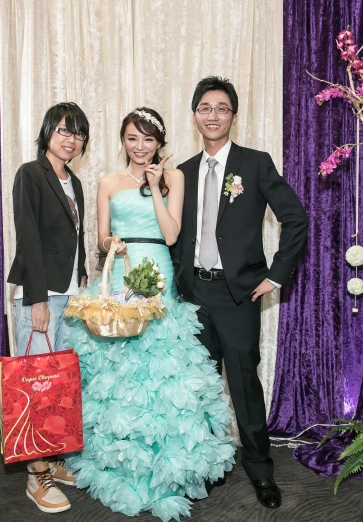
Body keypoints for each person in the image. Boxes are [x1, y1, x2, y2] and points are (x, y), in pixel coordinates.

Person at [64, 108, 235, 521]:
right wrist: (112, 243)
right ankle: (120, 459)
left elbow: (173, 234)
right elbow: (102, 237)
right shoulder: (107, 182)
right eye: (132, 139)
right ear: (122, 141)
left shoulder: (174, 178)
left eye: (148, 140)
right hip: (122, 272)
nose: (140, 148)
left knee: (162, 365)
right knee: (118, 367)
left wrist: (156, 187)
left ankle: (167, 463)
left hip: (157, 271)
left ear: (159, 143)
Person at [173, 77, 309, 509]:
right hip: (191, 293)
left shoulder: (255, 164)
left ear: (233, 115)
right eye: (205, 107)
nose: (213, 115)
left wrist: (276, 275)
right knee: (201, 386)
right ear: (194, 115)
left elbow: (295, 218)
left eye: (222, 108)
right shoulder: (182, 172)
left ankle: (260, 469)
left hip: (237, 296)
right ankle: (210, 463)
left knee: (244, 383)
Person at [6, 102, 90, 514]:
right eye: (62, 130)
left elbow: (75, 239)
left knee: (59, 388)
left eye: (77, 132)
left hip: (70, 296)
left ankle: (53, 459)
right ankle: (35, 474)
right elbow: (28, 237)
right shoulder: (30, 173)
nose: (70, 138)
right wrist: (37, 298)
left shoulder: (73, 180)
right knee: (37, 387)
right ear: (47, 133)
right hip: (41, 295)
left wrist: (86, 279)